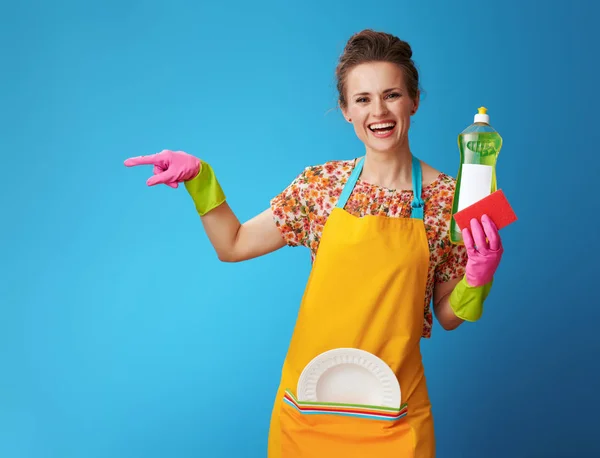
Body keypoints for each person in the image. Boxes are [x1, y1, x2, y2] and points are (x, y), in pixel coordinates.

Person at [125, 29, 504, 458]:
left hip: (395, 417)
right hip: (309, 408)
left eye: (391, 94)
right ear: (345, 110)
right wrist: (201, 180)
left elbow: (447, 315)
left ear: (414, 100)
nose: (378, 111)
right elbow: (233, 244)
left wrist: (479, 277)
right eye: (362, 99)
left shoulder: (453, 198)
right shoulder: (319, 186)